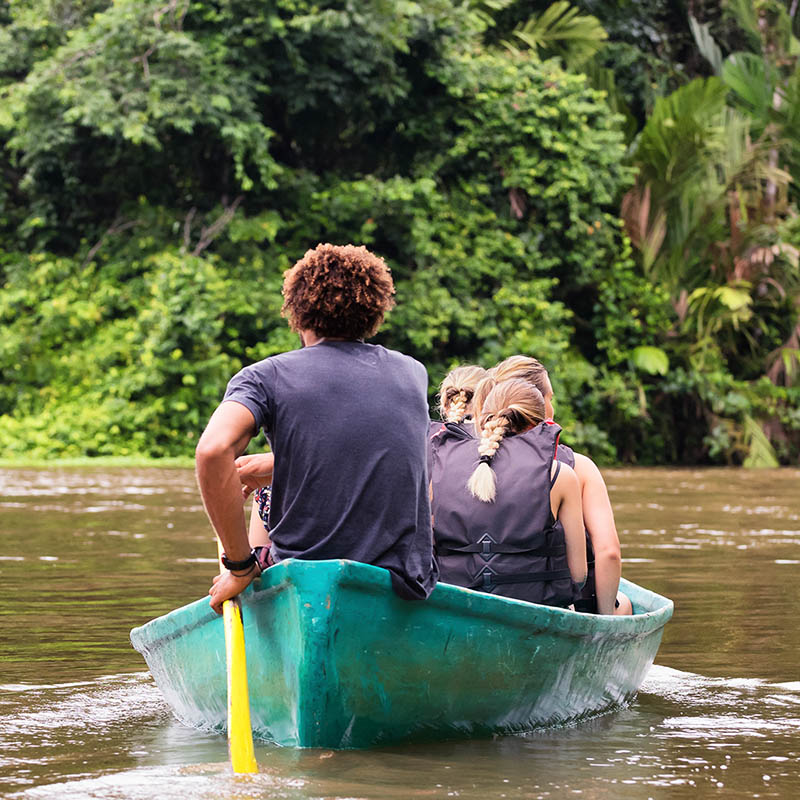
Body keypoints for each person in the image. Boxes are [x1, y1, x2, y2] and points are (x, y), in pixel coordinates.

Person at [195, 243, 438, 613]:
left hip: (302, 575)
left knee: (255, 549)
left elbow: (213, 451)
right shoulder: (412, 373)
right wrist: (280, 464)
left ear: (298, 311)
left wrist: (241, 565)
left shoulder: (265, 377)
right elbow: (372, 445)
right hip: (398, 581)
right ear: (374, 310)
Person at [473, 355, 632, 615]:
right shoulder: (577, 468)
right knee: (623, 604)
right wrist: (607, 618)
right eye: (550, 398)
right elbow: (609, 553)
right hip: (553, 603)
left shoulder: (471, 463)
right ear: (537, 402)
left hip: (473, 596)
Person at [429, 378, 587, 607]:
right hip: (536, 609)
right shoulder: (560, 476)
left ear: (483, 418)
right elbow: (578, 575)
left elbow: (426, 550)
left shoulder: (439, 465)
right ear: (539, 422)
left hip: (455, 608)